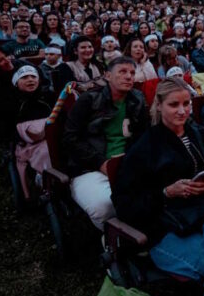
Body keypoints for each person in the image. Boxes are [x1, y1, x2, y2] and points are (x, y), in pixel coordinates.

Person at [112, 77, 204, 296]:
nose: (183, 111)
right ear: (158, 105)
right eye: (174, 105)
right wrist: (166, 193)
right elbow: (124, 203)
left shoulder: (200, 134)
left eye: (187, 103)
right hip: (167, 224)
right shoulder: (144, 147)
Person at [61, 56, 149, 229]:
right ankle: (112, 241)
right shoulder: (89, 100)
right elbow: (70, 138)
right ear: (107, 76)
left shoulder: (137, 98)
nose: (129, 77)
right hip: (90, 167)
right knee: (105, 205)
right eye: (122, 72)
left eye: (132, 72)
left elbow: (142, 135)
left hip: (127, 162)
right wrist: (100, 162)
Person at [10, 65, 54, 199]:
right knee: (45, 152)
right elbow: (8, 127)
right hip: (28, 143)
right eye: (24, 77)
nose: (30, 80)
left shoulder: (48, 97)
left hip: (51, 135)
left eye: (33, 76)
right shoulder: (13, 102)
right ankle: (43, 180)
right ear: (16, 82)